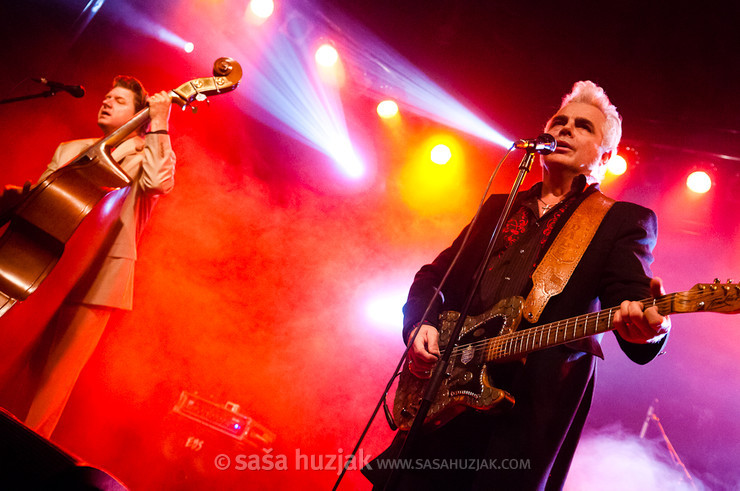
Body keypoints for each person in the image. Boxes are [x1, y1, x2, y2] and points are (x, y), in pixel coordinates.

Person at [364, 81, 670, 489]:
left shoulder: (621, 221)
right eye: (559, 121)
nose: (565, 129)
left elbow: (632, 301)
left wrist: (652, 329)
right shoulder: (499, 207)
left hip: (522, 416)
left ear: (606, 156)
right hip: (443, 401)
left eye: (582, 126)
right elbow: (434, 277)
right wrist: (422, 325)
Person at [17, 75, 175, 438]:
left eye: (119, 101)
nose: (107, 102)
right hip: (43, 266)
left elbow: (156, 183)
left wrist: (162, 121)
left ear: (140, 115)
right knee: (20, 366)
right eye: (107, 97)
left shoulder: (149, 150)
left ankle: (23, 458)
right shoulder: (69, 148)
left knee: (53, 383)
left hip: (100, 277)